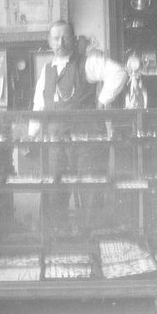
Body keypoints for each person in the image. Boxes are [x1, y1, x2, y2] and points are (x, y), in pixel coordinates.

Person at [29, 20, 128, 235]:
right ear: (49, 42)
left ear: (73, 39)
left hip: (87, 139)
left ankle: (89, 241)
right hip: (55, 141)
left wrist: (102, 100)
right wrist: (31, 135)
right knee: (54, 190)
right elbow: (38, 105)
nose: (61, 42)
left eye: (65, 37)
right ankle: (59, 240)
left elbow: (119, 72)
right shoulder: (46, 71)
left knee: (90, 190)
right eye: (56, 38)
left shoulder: (88, 63)